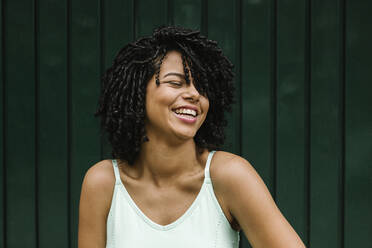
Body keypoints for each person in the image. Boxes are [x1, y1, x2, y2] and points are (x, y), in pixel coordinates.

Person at [78, 26, 306, 248]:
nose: (194, 95)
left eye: (203, 88)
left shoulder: (230, 176)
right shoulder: (103, 183)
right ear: (137, 93)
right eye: (176, 83)